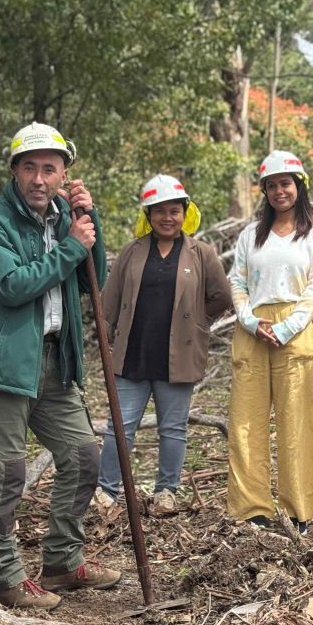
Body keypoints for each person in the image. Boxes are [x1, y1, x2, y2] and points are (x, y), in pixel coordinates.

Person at [0, 122, 120, 610]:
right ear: (14, 171)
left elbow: (93, 280)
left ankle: (61, 563)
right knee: (7, 471)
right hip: (3, 365)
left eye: (49, 169)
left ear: (63, 173)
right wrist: (73, 246)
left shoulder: (65, 217)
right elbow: (11, 284)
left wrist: (89, 224)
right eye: (29, 167)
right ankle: (3, 579)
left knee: (82, 457)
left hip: (56, 360)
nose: (38, 178)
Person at [94, 174, 231, 516]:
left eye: (174, 210)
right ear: (148, 214)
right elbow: (108, 302)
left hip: (178, 356)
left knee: (172, 428)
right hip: (134, 354)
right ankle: (107, 491)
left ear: (185, 213)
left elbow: (222, 296)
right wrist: (106, 336)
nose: (167, 217)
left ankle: (166, 491)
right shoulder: (133, 251)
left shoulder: (202, 253)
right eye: (159, 211)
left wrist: (198, 321)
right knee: (120, 426)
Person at [227, 150, 313, 534]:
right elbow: (237, 281)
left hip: (296, 328)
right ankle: (252, 509)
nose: (278, 191)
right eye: (271, 186)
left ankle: (299, 509)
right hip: (253, 326)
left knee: (297, 420)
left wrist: (287, 328)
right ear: (264, 192)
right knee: (246, 422)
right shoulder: (249, 236)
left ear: (299, 186)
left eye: (285, 183)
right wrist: (251, 320)